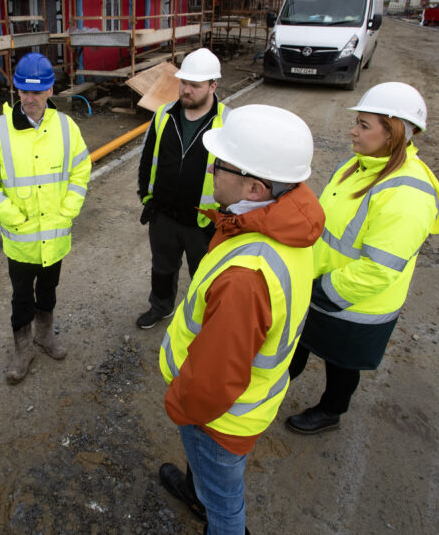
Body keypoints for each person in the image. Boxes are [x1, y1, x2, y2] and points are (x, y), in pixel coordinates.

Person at [158, 105, 325, 534]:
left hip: (217, 419)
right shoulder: (282, 226)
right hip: (246, 402)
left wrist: (181, 406)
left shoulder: (246, 277)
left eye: (220, 164)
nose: (210, 169)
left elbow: (214, 379)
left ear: (253, 187)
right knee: (214, 485)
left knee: (225, 504)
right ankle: (198, 495)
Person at [285, 82, 439, 434]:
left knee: (342, 362)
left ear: (393, 133)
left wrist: (322, 291)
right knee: (297, 344)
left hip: (354, 303)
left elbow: (378, 270)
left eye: (363, 125)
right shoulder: (359, 165)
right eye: (356, 122)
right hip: (322, 284)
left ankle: (331, 411)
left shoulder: (408, 195)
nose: (353, 130)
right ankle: (270, 390)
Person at [0, 52, 91, 385]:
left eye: (37, 92)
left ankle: (44, 334)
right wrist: (11, 218)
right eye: (24, 90)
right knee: (21, 296)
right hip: (21, 241)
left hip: (55, 236)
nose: (30, 98)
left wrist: (70, 208)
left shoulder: (66, 128)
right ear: (16, 89)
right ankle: (22, 347)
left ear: (51, 89)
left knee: (49, 289)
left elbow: (81, 169)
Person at [135, 47, 229, 329]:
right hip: (163, 214)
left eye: (194, 85)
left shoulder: (227, 122)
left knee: (205, 275)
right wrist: (147, 196)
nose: (186, 90)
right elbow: (146, 158)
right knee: (162, 268)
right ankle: (161, 307)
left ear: (213, 85)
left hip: (204, 222)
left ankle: (204, 322)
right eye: (183, 83)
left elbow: (236, 176)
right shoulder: (164, 115)